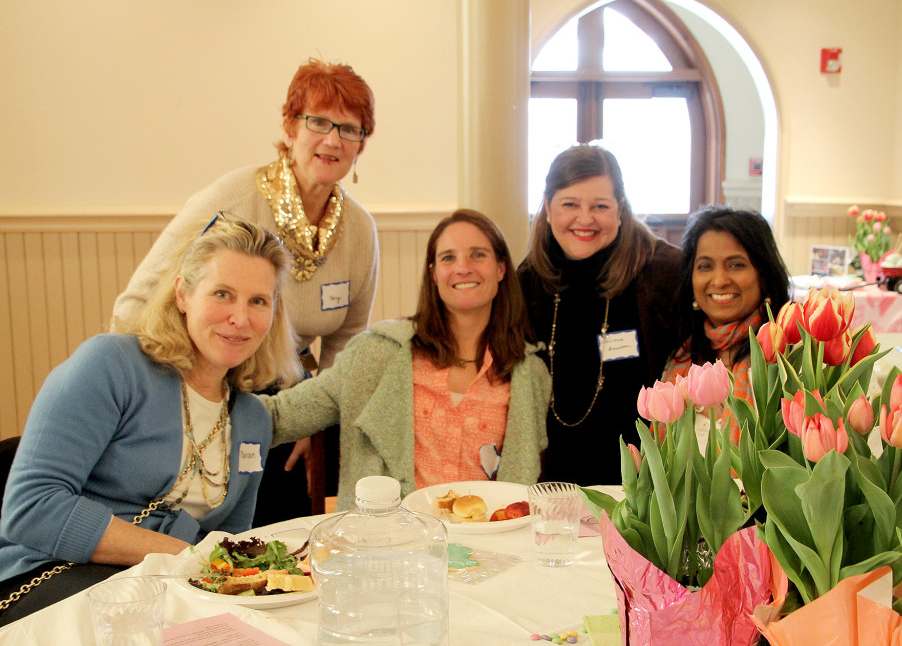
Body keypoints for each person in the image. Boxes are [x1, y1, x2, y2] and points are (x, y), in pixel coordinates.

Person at [112, 58, 379, 524]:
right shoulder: (233, 198)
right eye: (318, 121)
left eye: (350, 129)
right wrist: (157, 401)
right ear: (290, 127)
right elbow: (136, 304)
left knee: (278, 542)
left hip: (280, 401)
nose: (333, 139)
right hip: (195, 384)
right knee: (185, 535)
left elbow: (347, 342)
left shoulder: (359, 230)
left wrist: (314, 412)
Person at [0, 216, 301, 624]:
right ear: (182, 294)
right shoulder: (111, 366)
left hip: (167, 593)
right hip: (54, 581)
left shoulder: (252, 420)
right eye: (223, 294)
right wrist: (184, 556)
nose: (240, 318)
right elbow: (31, 509)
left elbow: (225, 545)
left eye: (258, 301)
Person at [263, 209, 551, 508]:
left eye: (478, 255)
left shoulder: (529, 374)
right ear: (433, 273)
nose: (463, 267)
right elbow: (283, 415)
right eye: (448, 258)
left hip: (490, 546)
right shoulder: (377, 354)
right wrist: (214, 405)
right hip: (389, 543)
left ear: (501, 269)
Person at [518, 144, 685, 487]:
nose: (584, 218)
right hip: (551, 481)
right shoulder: (529, 281)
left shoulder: (663, 272)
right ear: (548, 208)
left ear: (620, 210)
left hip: (643, 483)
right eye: (569, 204)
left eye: (600, 206)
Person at [663, 205, 791, 442]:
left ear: (763, 274)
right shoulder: (680, 358)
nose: (719, 280)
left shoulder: (792, 358)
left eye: (736, 264)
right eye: (705, 266)